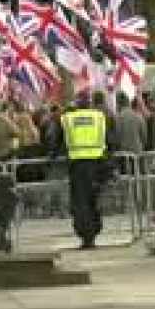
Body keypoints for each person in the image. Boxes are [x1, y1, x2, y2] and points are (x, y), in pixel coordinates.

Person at [60, 94, 109, 249]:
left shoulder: (68, 119)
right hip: (98, 165)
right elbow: (110, 140)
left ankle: (87, 236)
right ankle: (93, 232)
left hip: (78, 166)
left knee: (81, 203)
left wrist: (54, 156)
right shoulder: (99, 117)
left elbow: (58, 141)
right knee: (93, 200)